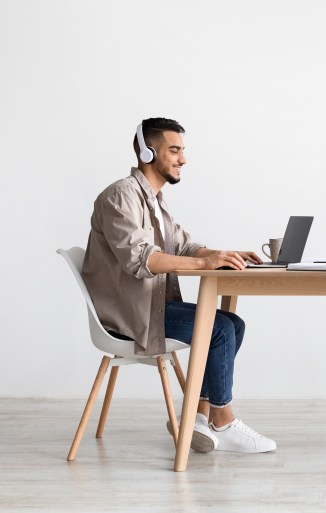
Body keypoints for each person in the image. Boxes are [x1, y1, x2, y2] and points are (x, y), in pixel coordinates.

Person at [82, 117, 276, 454]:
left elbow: (183, 245)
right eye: (175, 150)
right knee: (218, 329)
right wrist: (203, 264)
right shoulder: (119, 197)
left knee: (233, 323)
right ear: (147, 151)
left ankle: (198, 415)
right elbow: (140, 259)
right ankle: (223, 420)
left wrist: (221, 254)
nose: (183, 159)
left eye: (182, 151)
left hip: (151, 304)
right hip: (131, 313)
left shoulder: (155, 200)